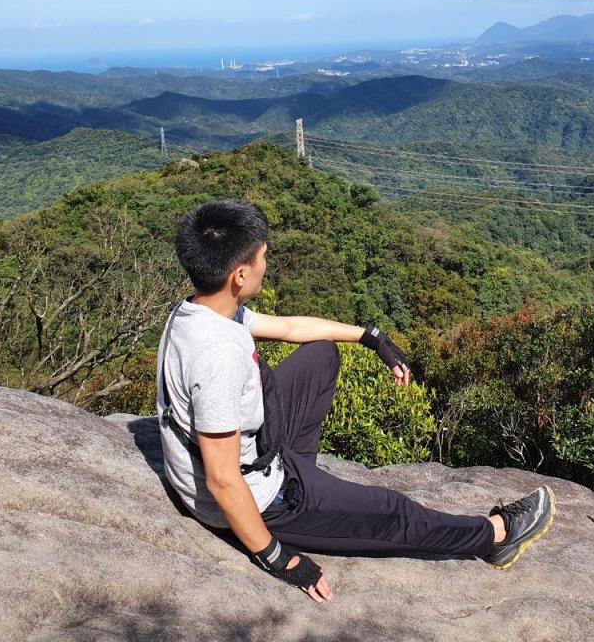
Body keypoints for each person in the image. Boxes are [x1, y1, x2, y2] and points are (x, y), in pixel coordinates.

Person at [157, 198, 555, 604]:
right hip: (257, 498)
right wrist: (279, 558)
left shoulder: (204, 309)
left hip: (256, 455)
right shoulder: (217, 355)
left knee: (321, 354)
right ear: (239, 275)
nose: (266, 263)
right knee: (392, 510)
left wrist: (372, 337)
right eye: (262, 257)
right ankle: (495, 537)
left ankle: (307, 483)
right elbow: (223, 480)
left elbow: (293, 327)